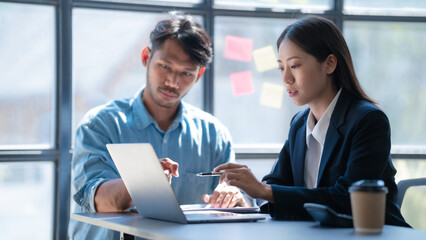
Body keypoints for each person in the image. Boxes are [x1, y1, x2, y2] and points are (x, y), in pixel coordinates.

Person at [214, 16, 410, 227]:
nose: (286, 78)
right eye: (281, 68)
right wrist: (245, 197)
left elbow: (349, 199)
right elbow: (277, 184)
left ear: (330, 64)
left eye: (295, 65)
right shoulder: (299, 124)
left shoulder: (368, 121)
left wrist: (265, 191)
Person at [68, 13, 249, 240]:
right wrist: (144, 181)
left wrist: (237, 201)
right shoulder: (100, 125)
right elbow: (94, 200)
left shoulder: (214, 135)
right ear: (146, 57)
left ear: (199, 75)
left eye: (186, 73)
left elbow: (236, 213)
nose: (172, 82)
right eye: (165, 66)